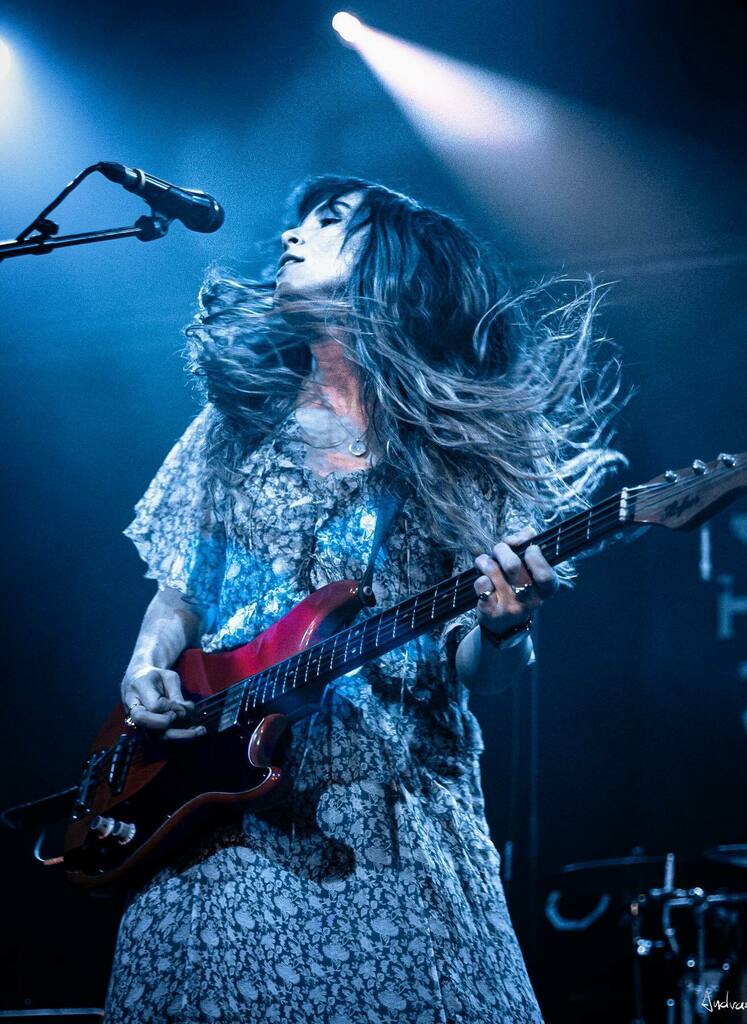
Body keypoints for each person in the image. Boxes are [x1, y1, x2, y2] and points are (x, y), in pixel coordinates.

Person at [104, 175, 620, 1023]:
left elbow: (479, 671)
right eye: (299, 216)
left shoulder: (459, 453)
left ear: (391, 269)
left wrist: (505, 629)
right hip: (212, 821)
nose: (293, 234)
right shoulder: (234, 428)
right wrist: (145, 665)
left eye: (330, 220)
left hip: (390, 820)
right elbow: (179, 593)